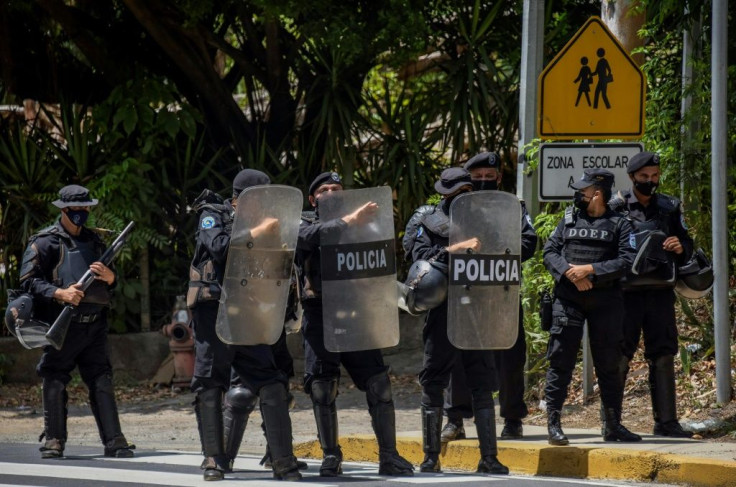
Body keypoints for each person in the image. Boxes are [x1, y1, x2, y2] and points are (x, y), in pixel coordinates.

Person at [295, 171, 414, 477]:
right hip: (321, 315)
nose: (332, 193)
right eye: (325, 190)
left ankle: (389, 455)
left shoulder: (366, 224)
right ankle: (331, 456)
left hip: (357, 312)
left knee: (378, 384)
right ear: (313, 199)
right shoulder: (304, 223)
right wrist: (348, 221)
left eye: (337, 188)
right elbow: (305, 240)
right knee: (322, 388)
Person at [187, 169, 301, 481]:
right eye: (260, 197)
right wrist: (258, 232)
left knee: (272, 382)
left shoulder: (267, 222)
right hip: (214, 311)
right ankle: (214, 459)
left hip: (249, 311)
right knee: (210, 383)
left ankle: (284, 462)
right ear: (243, 197)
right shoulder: (213, 215)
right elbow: (220, 248)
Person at [18, 184, 135, 459]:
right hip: (63, 323)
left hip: (94, 324)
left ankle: (114, 441)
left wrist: (111, 278)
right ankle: (54, 440)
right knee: (55, 378)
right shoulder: (45, 242)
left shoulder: (95, 242)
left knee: (101, 379)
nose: (82, 213)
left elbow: (111, 282)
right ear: (64, 210)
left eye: (86, 208)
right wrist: (60, 292)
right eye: (77, 209)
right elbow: (27, 282)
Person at [411, 167, 509, 475]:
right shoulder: (427, 221)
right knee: (434, 380)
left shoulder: (486, 220)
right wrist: (455, 249)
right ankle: (430, 457)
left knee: (482, 380)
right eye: (455, 193)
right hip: (442, 309)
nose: (461, 198)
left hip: (477, 308)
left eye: (466, 192)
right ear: (443, 194)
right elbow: (417, 259)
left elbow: (508, 253)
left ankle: (489, 457)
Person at [439, 153, 538, 443]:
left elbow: (529, 243)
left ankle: (512, 419)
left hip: (501, 292)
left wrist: (494, 241)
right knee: (457, 353)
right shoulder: (453, 207)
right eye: (477, 176)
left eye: (489, 176)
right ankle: (455, 420)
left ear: (499, 176)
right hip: (464, 293)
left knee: (510, 356)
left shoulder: (513, 207)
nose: (484, 181)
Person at [542, 168, 640, 445]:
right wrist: (570, 273)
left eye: (582, 191)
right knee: (560, 360)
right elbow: (549, 252)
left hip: (606, 301)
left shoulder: (620, 224)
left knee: (609, 364)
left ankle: (612, 426)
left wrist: (590, 270)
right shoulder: (569, 219)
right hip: (568, 298)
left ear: (597, 194)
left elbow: (627, 261)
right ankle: (554, 425)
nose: (578, 195)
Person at [609, 151, 694, 438]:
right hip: (625, 294)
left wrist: (679, 246)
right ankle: (612, 423)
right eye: (644, 177)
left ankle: (667, 422)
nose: (650, 181)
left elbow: (687, 244)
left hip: (660, 292)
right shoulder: (616, 208)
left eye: (654, 176)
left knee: (664, 353)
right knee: (619, 355)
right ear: (632, 177)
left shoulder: (669, 207)